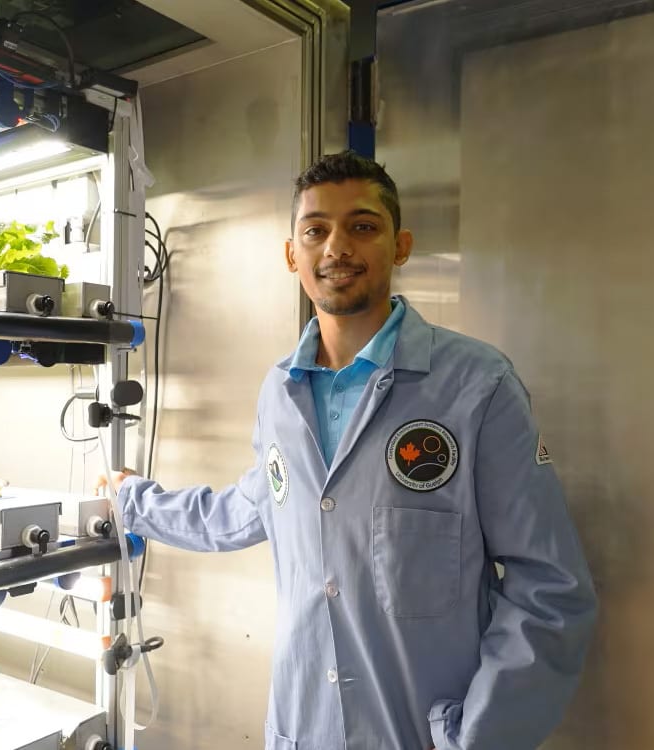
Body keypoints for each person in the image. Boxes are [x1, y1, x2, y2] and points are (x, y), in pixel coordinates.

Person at [98, 151, 597, 750]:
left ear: (400, 245)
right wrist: (133, 500)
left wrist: (479, 739)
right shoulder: (280, 393)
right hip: (303, 728)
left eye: (362, 226)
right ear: (292, 254)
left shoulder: (476, 386)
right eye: (316, 230)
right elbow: (248, 509)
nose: (337, 247)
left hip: (419, 733)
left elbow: (548, 591)